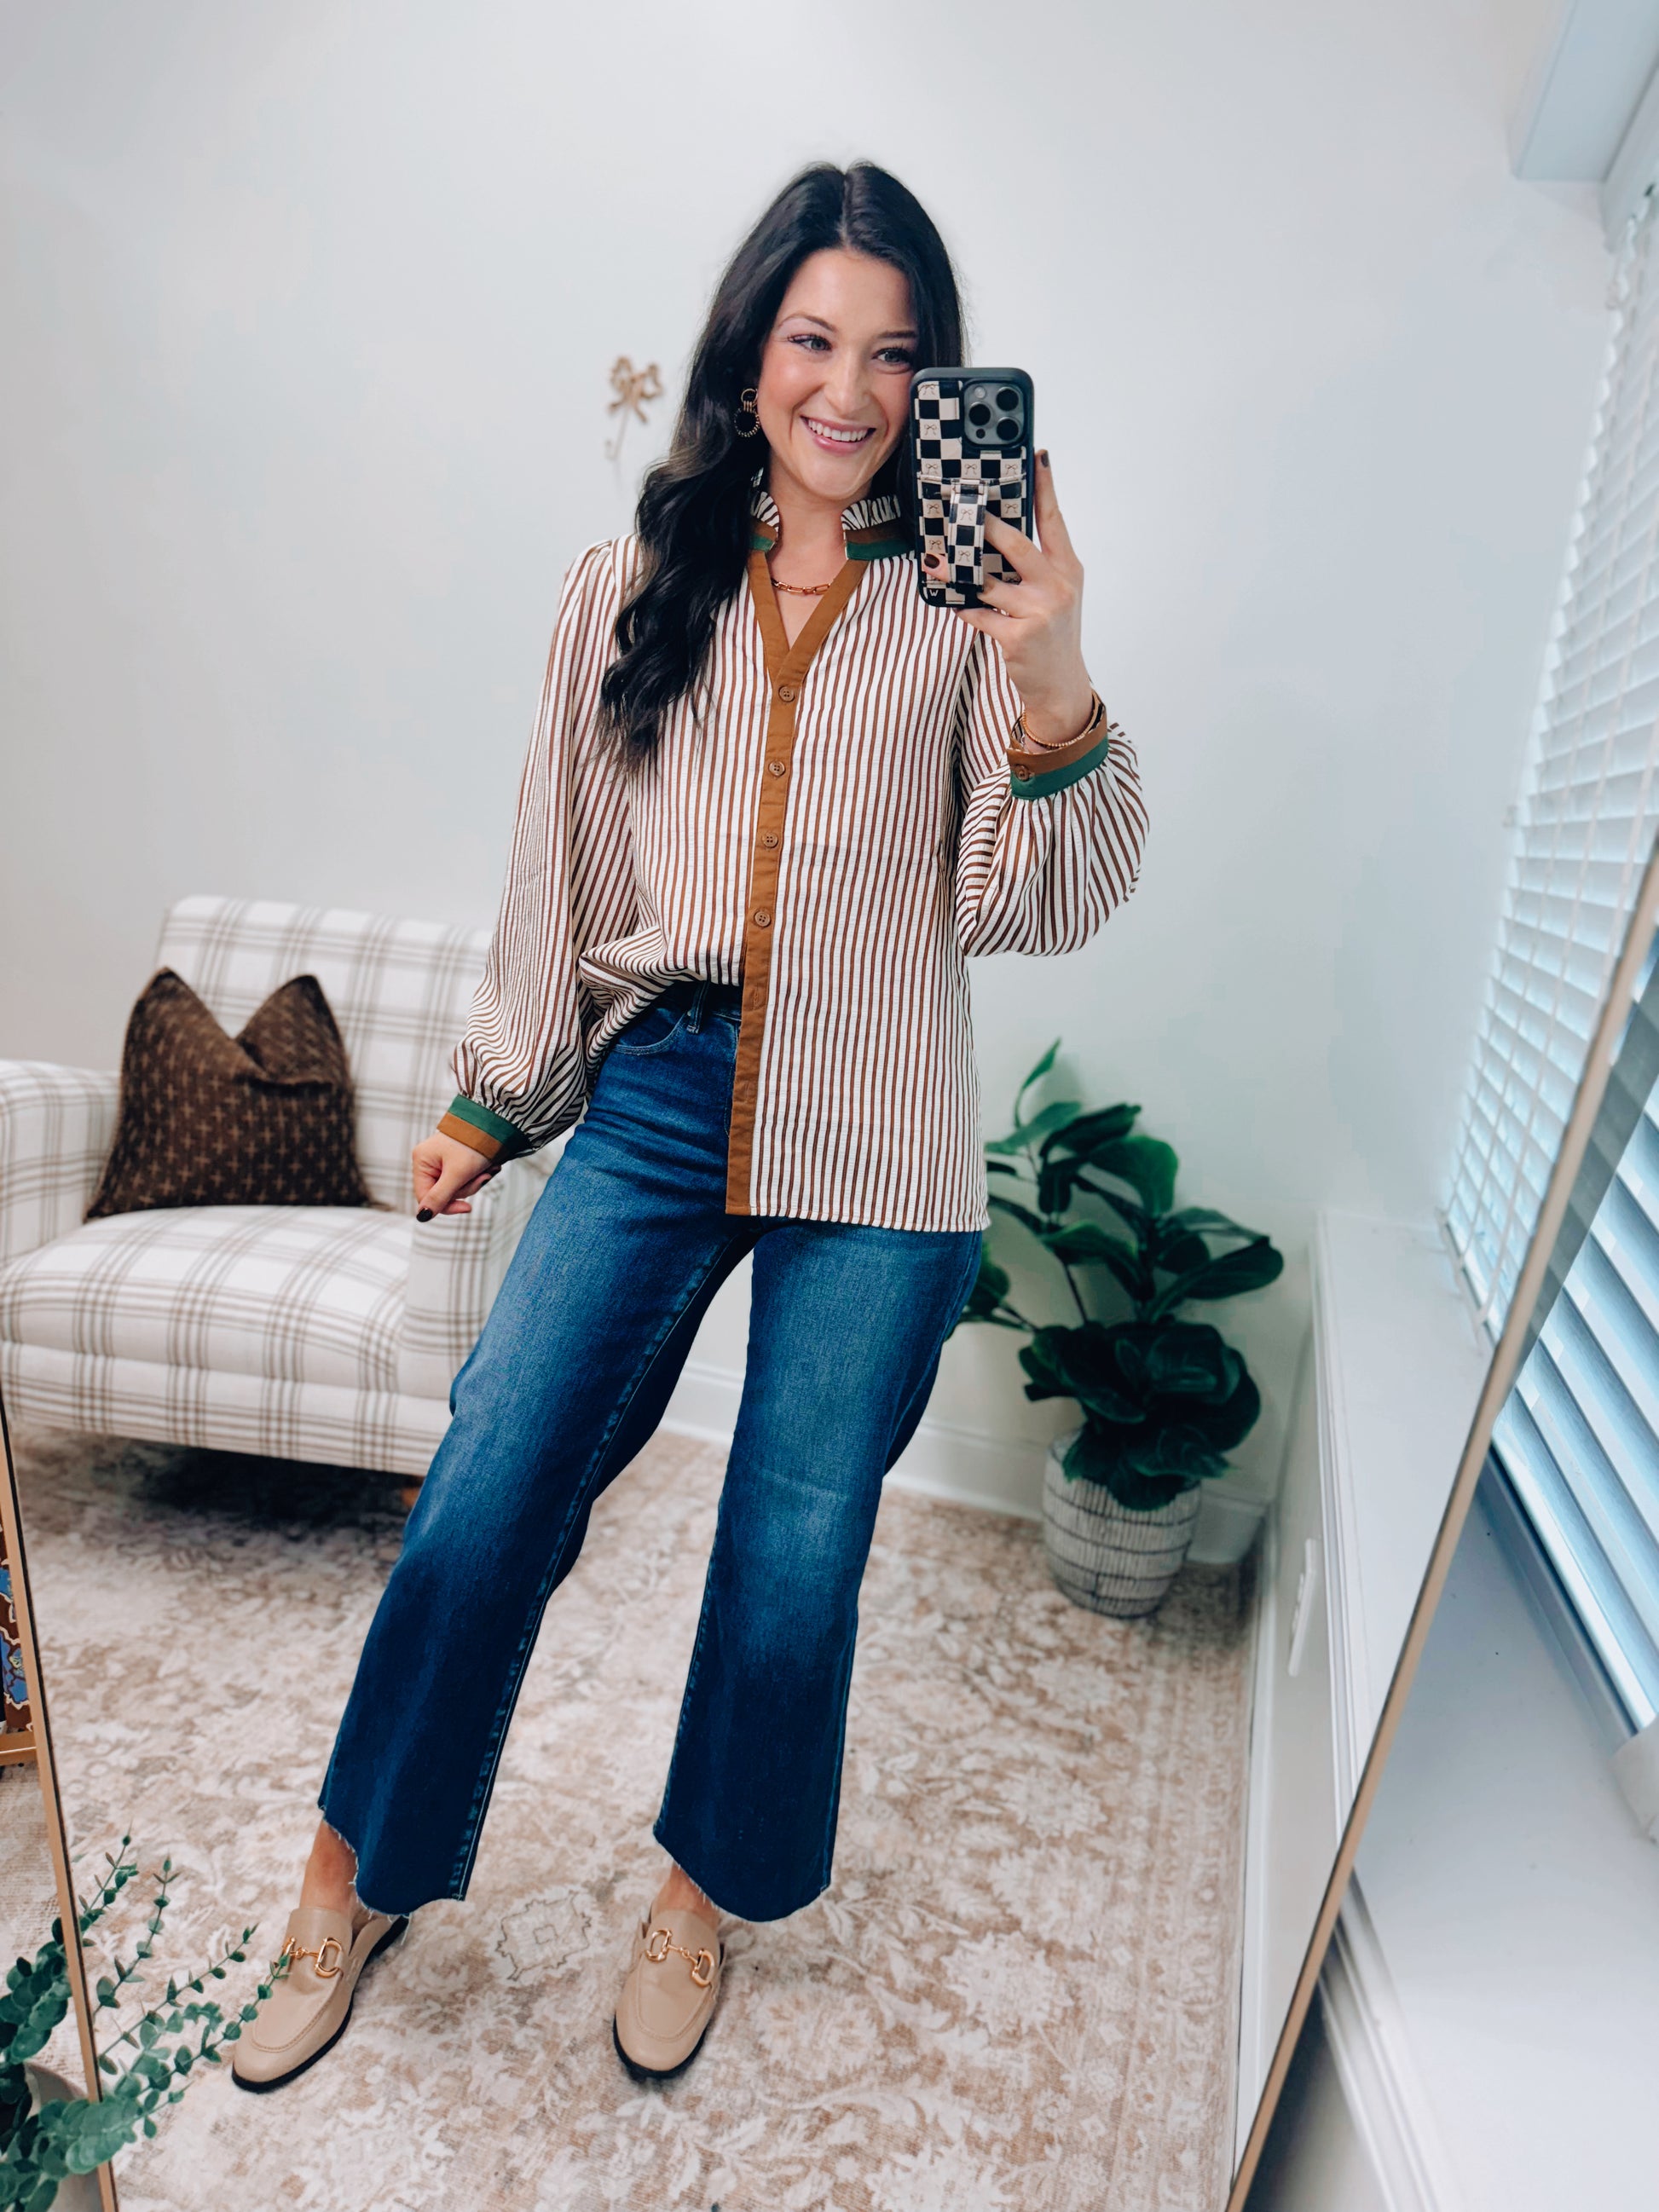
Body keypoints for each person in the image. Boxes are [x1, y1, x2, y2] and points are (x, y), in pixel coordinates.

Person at [231, 159, 1146, 2094]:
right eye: (815, 338)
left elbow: (1038, 898)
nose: (851, 389)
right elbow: (556, 856)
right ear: (750, 353)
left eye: (895, 354)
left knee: (793, 1548)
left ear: (936, 384)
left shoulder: (964, 607)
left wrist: (1051, 662)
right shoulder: (627, 586)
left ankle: (698, 1890)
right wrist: (499, 1094)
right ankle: (351, 1869)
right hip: (660, 1094)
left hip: (882, 1130)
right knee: (491, 1478)